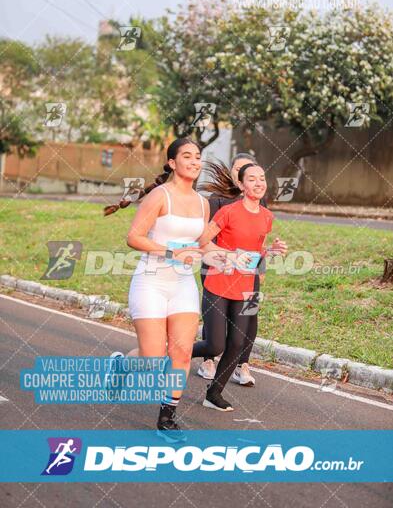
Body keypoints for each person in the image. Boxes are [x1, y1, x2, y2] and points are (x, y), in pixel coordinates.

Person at [105, 138, 216, 442]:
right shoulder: (159, 196)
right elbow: (134, 237)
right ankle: (121, 365)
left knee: (181, 351)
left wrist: (232, 256)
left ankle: (167, 418)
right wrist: (170, 252)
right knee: (152, 359)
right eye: (187, 156)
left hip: (182, 284)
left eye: (198, 157)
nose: (195, 161)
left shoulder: (202, 203)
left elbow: (203, 244)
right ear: (172, 163)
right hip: (151, 281)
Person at [193, 163, 288, 411]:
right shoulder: (228, 211)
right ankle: (172, 356)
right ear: (241, 185)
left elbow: (256, 251)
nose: (259, 183)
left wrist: (271, 252)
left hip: (248, 286)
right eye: (252, 179)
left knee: (238, 343)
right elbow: (202, 242)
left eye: (262, 178)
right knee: (215, 345)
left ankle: (213, 394)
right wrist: (229, 255)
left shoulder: (267, 217)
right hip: (219, 283)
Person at [196, 154, 268, 386]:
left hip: (249, 272)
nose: (246, 174)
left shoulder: (260, 202)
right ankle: (208, 359)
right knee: (216, 319)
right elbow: (205, 238)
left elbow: (260, 239)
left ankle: (242, 364)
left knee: (250, 316)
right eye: (241, 170)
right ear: (237, 178)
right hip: (219, 269)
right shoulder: (218, 200)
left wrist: (261, 266)